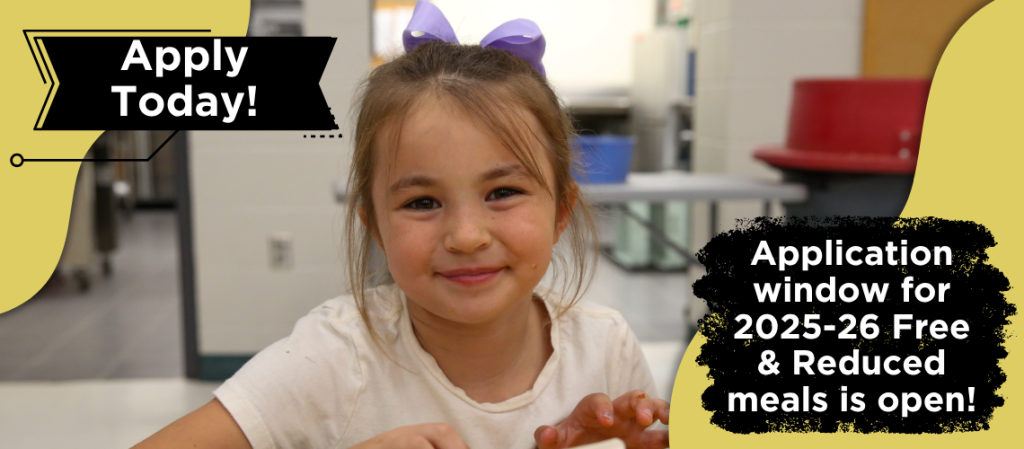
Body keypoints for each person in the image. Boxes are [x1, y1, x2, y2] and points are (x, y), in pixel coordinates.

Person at [134, 2, 668, 448]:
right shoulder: (333, 357)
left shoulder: (605, 348)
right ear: (374, 225)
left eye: (502, 193)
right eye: (422, 202)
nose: (466, 236)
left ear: (561, 211)